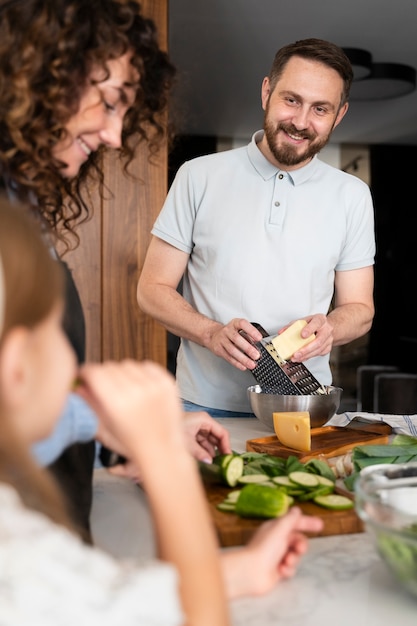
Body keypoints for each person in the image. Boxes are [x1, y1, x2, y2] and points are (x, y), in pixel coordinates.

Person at [0, 196, 323, 624]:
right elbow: (200, 619)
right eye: (57, 328)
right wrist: (164, 459)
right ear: (16, 368)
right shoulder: (17, 551)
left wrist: (234, 573)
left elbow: (96, 598)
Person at [0, 0, 179, 539]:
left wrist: (107, 429)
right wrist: (153, 448)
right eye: (109, 102)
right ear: (42, 76)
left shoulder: (19, 208)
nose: (115, 136)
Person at [137, 38, 376, 417]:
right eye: (291, 100)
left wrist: (329, 328)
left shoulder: (353, 195)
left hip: (302, 407)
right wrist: (210, 333)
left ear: (339, 114)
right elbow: (151, 289)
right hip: (201, 404)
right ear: (267, 91)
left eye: (320, 108)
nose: (300, 122)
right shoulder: (197, 176)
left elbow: (361, 309)